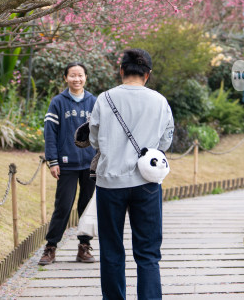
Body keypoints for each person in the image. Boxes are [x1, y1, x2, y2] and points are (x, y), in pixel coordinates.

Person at [88, 49, 174, 300]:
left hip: (110, 182)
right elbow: (165, 141)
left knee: (111, 250)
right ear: (147, 74)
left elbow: (94, 138)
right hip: (146, 182)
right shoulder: (159, 101)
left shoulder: (105, 99)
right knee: (148, 252)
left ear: (122, 70)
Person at [40, 62, 98, 265]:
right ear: (66, 78)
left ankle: (84, 247)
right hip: (66, 164)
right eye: (72, 75)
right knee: (63, 206)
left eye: (80, 75)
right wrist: (53, 161)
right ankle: (50, 247)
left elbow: (103, 132)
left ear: (86, 77)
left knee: (87, 206)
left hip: (90, 164)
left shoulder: (94, 101)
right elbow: (50, 134)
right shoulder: (58, 102)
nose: (77, 79)